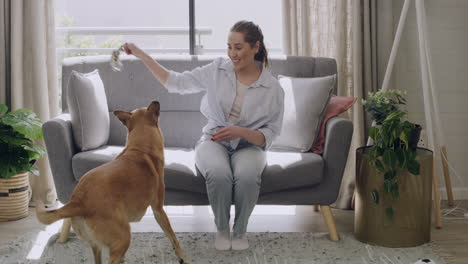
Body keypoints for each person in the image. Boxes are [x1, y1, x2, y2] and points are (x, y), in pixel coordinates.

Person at [124, 20, 284, 251]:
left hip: (250, 146)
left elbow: (272, 132)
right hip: (213, 141)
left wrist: (242, 132)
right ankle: (222, 229)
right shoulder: (217, 69)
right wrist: (140, 54)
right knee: (219, 174)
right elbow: (175, 82)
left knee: (247, 175)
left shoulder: (273, 88)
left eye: (238, 48)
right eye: (229, 47)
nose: (232, 54)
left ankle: (239, 232)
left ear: (255, 47)